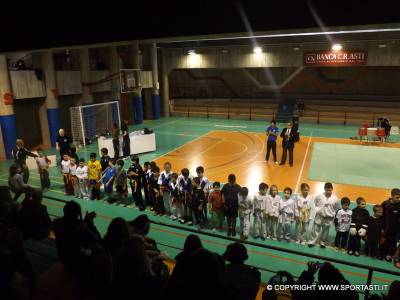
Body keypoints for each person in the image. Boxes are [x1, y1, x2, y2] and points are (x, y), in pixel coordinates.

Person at [308, 182, 340, 248]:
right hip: (319, 216)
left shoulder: (335, 198)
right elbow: (315, 203)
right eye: (326, 190)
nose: (328, 191)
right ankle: (312, 241)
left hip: (329, 217)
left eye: (329, 190)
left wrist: (333, 214)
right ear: (324, 189)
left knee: (325, 231)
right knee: (315, 229)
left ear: (332, 189)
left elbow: (337, 208)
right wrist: (317, 210)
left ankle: (322, 242)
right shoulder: (319, 196)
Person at [381, 188, 400, 262]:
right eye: (397, 197)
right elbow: (381, 216)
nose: (399, 199)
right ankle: (383, 254)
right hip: (386, 228)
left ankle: (390, 254)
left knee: (393, 242)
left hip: (395, 229)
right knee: (384, 241)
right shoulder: (385, 204)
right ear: (392, 196)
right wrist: (382, 227)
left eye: (399, 197)